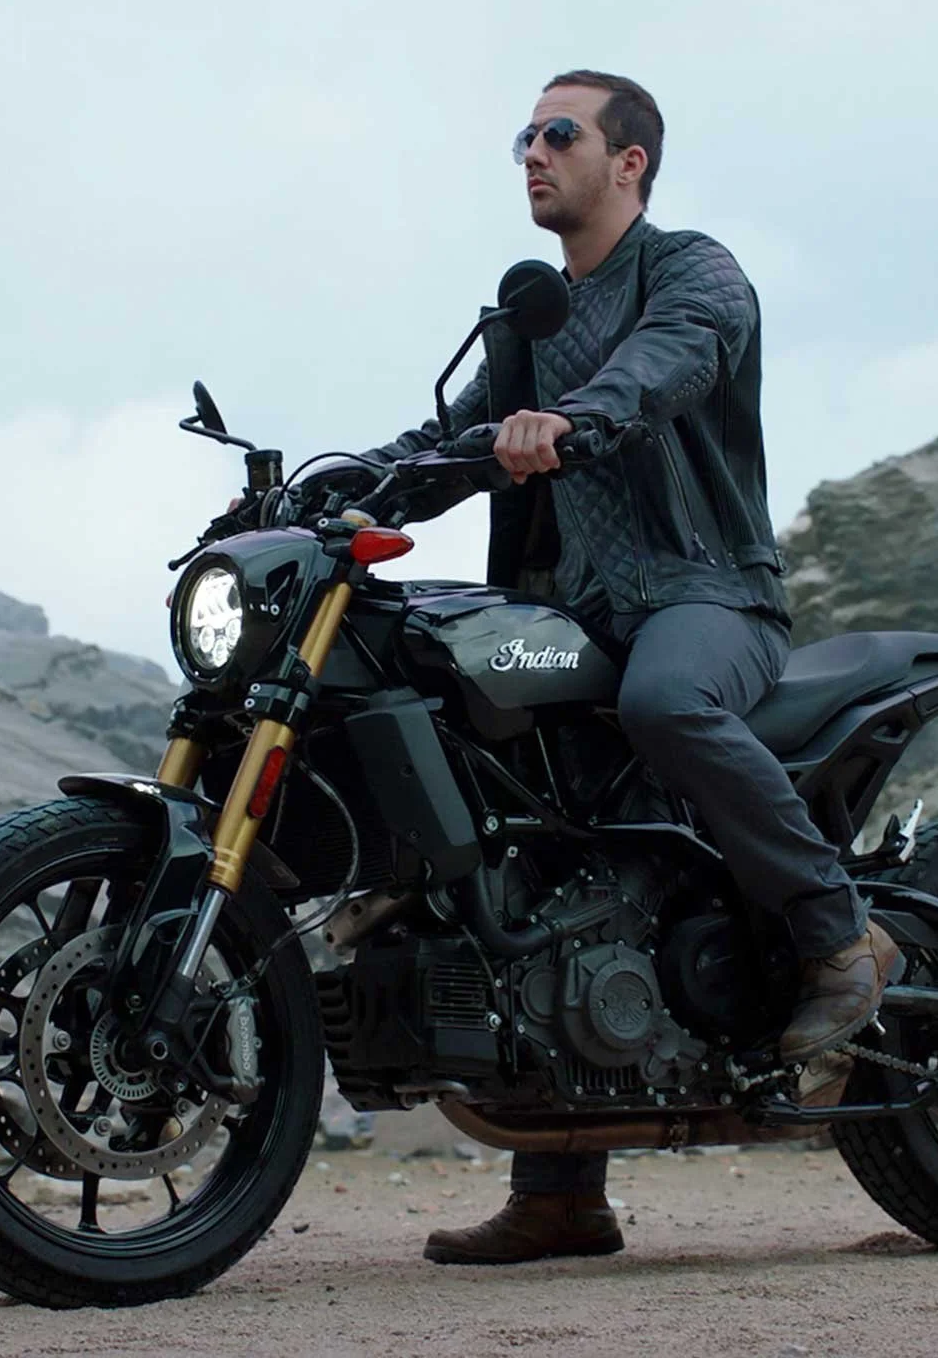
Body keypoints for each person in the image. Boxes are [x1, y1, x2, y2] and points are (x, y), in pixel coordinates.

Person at [354, 70, 900, 1266]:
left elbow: (668, 365)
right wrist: (347, 483)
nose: (532, 155)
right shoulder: (528, 316)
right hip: (572, 611)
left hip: (705, 597)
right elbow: (458, 442)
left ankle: (835, 931)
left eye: (559, 134)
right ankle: (560, 1191)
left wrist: (576, 416)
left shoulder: (693, 271)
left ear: (630, 162)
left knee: (664, 699)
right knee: (532, 848)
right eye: (523, 137)